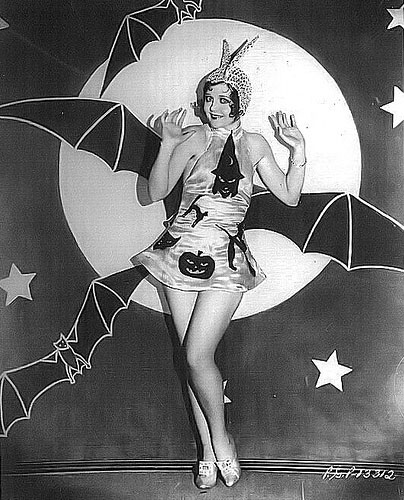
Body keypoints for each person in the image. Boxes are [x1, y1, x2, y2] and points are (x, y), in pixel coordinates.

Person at [133, 36, 306, 489]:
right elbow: (154, 192)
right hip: (178, 251)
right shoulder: (191, 137)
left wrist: (298, 153)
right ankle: (208, 453)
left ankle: (222, 439)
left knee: (196, 354)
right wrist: (167, 145)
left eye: (223, 100)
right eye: (209, 99)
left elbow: (289, 196)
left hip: (227, 256)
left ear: (239, 104)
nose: (214, 107)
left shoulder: (255, 144)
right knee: (191, 360)